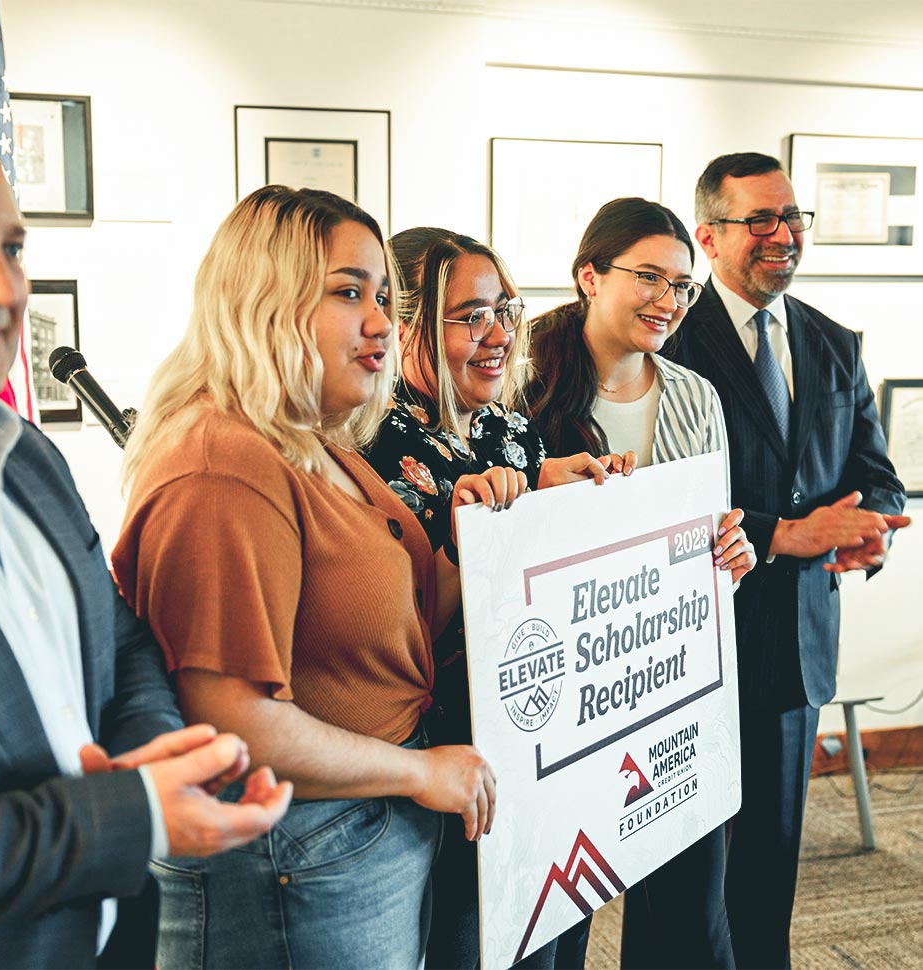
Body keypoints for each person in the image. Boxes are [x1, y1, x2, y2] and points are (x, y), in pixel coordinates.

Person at [0, 88, 292, 969]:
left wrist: (146, 754)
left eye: (12, 245)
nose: (5, 289)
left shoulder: (29, 454)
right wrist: (135, 812)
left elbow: (119, 642)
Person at [111, 187, 521, 970]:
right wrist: (419, 771)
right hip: (299, 854)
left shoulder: (310, 442)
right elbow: (234, 720)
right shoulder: (222, 464)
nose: (379, 324)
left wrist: (481, 535)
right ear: (261, 299)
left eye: (382, 297)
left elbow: (398, 618)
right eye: (347, 293)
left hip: (354, 834)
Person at [364, 227, 659, 969]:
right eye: (470, 316)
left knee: (559, 934)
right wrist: (474, 536)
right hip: (448, 763)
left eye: (506, 308)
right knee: (477, 943)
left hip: (546, 745)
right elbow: (390, 628)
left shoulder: (511, 430)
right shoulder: (367, 447)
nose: (499, 334)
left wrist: (593, 506)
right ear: (406, 326)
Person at [667, 153, 909, 968]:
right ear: (708, 235)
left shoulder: (832, 342)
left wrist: (871, 525)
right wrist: (792, 531)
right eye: (760, 220)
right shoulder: (670, 343)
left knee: (770, 866)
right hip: (694, 639)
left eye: (793, 217)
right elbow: (669, 494)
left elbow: (875, 473)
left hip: (798, 644)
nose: (784, 235)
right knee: (688, 876)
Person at [528, 197, 757, 969]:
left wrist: (732, 552)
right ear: (590, 276)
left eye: (683, 285)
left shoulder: (696, 396)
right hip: (567, 713)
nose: (670, 300)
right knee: (557, 926)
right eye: (649, 278)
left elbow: (711, 539)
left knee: (693, 925)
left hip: (670, 698)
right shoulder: (521, 386)